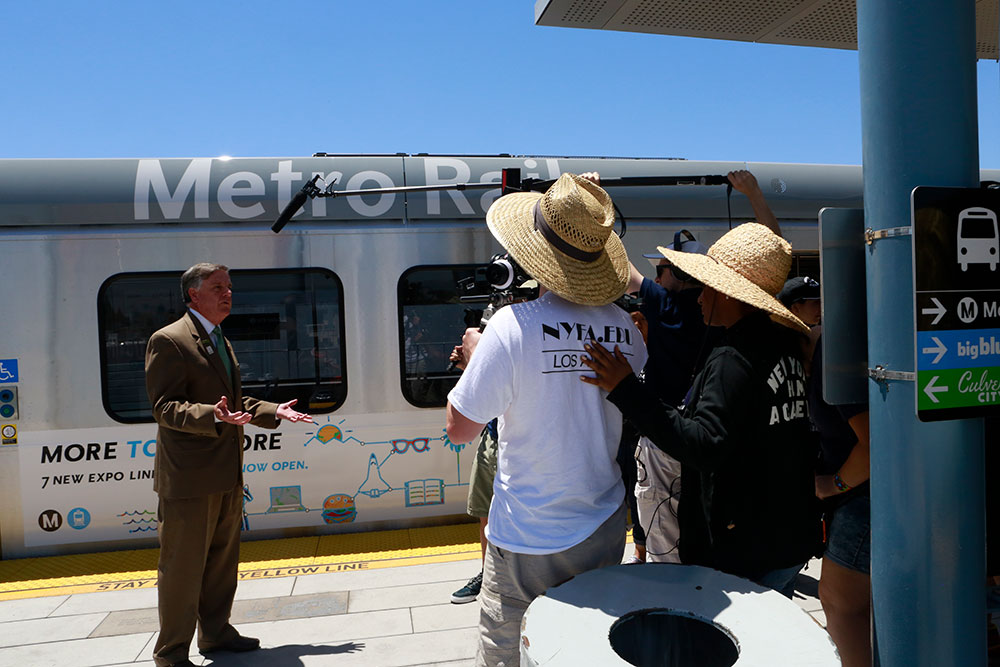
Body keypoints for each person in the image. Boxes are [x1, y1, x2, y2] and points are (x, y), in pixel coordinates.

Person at [445, 173, 647, 667]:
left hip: (527, 535)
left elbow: (461, 428)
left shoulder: (512, 327)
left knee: (511, 651)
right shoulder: (625, 327)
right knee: (584, 650)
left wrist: (474, 359)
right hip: (602, 524)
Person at [581, 223, 821, 597]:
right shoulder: (783, 347)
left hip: (747, 553)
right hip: (789, 537)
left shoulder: (733, 359)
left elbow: (704, 445)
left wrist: (625, 389)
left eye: (706, 285)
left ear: (728, 294)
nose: (698, 297)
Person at [145, 262, 314, 667]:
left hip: (225, 472)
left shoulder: (218, 337)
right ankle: (171, 653)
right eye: (218, 287)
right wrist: (213, 416)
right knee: (182, 569)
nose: (228, 293)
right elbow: (164, 407)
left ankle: (216, 634)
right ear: (194, 295)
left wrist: (275, 411)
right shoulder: (168, 340)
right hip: (189, 479)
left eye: (229, 287)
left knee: (221, 563)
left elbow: (234, 405)